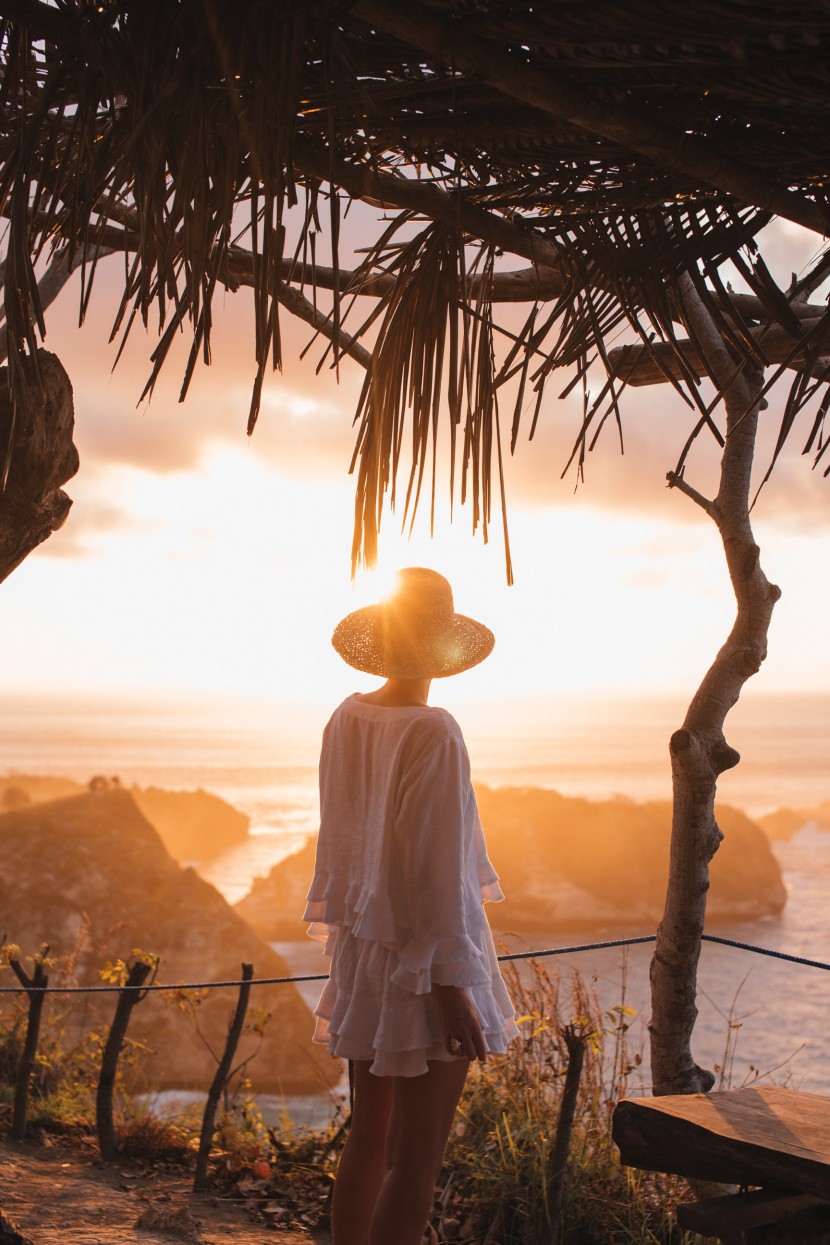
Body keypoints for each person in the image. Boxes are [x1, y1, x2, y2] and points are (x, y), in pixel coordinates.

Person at [304, 567, 519, 1245]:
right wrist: (455, 987)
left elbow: (339, 844)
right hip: (426, 963)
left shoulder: (345, 717)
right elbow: (437, 872)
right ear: (444, 647)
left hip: (366, 953)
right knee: (417, 1157)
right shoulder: (435, 730)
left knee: (368, 1140)